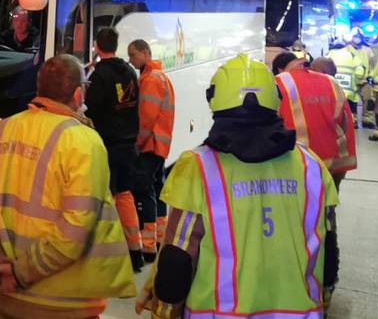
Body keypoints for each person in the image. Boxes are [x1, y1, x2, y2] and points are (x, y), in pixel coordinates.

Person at [136, 53, 338, 319]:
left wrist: (163, 311)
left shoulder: (198, 167)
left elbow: (177, 259)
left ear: (214, 103)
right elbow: (329, 248)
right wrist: (322, 298)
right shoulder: (311, 166)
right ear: (275, 101)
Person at [0, 55, 136, 318]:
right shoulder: (84, 142)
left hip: (6, 298)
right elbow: (76, 229)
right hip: (65, 303)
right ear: (78, 95)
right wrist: (21, 273)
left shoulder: (1, 130)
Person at [274, 55, 357, 306]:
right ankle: (328, 283)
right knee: (326, 225)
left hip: (294, 170)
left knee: (293, 226)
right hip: (331, 169)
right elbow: (346, 125)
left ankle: (297, 282)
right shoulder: (332, 85)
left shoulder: (278, 84)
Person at [84, 27, 144, 271]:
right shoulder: (129, 71)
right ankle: (135, 250)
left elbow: (92, 108)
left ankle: (106, 256)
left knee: (105, 198)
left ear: (97, 46)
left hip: (106, 144)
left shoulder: (99, 75)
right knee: (126, 195)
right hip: (128, 143)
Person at [128, 39, 175, 262]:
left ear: (146, 53)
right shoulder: (156, 76)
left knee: (145, 192)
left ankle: (148, 247)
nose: (131, 59)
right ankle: (159, 238)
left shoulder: (150, 80)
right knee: (157, 191)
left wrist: (137, 143)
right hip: (160, 145)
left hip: (150, 145)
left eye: (133, 55)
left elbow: (146, 118)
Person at [327, 34, 369, 127]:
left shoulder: (328, 55)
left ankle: (335, 121)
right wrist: (357, 80)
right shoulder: (351, 55)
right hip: (349, 88)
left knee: (333, 105)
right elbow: (359, 71)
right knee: (351, 103)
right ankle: (352, 120)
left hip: (333, 87)